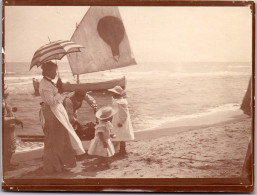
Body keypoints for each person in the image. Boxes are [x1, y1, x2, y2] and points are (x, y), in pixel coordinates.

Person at [38, 61, 85, 173]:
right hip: (53, 115)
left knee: (61, 138)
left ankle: (59, 164)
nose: (56, 72)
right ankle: (54, 166)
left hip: (56, 113)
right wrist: (59, 92)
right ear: (48, 71)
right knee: (55, 140)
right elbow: (50, 101)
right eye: (54, 70)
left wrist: (58, 89)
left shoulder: (48, 82)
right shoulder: (45, 84)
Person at [108, 86, 134, 156]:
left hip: (120, 120)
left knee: (120, 135)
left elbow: (124, 113)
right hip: (118, 119)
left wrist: (121, 122)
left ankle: (121, 150)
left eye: (113, 93)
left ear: (116, 94)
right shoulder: (119, 101)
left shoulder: (120, 102)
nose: (112, 95)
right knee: (120, 135)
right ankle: (121, 150)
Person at [2, 85, 23, 172]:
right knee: (8, 147)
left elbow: (5, 110)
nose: (7, 92)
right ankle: (6, 166)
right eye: (4, 90)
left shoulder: (3, 99)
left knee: (11, 145)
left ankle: (7, 163)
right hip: (6, 126)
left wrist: (11, 109)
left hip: (9, 126)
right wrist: (13, 119)